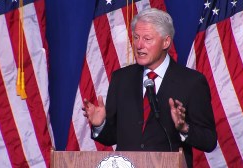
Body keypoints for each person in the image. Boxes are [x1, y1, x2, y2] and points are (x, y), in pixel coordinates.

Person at [83, 8, 217, 167]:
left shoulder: (192, 82)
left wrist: (184, 128)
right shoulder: (121, 78)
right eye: (136, 37)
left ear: (166, 42)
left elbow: (209, 141)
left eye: (147, 39)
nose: (139, 45)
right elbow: (112, 137)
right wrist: (100, 124)